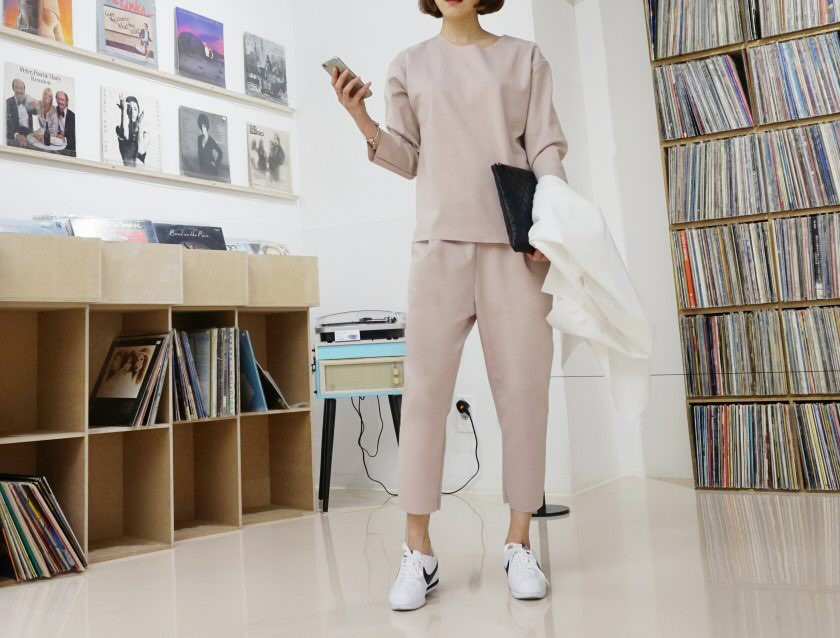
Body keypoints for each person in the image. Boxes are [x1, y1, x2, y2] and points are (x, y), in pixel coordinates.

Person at [330, 0, 568, 611]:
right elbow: (408, 157)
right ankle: (419, 551)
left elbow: (545, 147)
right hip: (439, 248)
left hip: (515, 247)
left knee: (525, 395)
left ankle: (520, 542)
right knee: (424, 396)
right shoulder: (408, 65)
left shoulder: (525, 58)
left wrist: (554, 222)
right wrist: (360, 117)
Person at [115, 94, 149, 166]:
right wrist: (122, 110)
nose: (133, 111)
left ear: (138, 111)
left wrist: (140, 126)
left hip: (140, 171)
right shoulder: (120, 130)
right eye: (130, 108)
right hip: (125, 171)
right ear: (126, 111)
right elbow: (124, 135)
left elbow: (140, 150)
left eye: (135, 109)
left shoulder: (145, 135)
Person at [6, 78, 36, 146]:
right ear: (13, 89)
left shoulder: (28, 102)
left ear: (24, 90)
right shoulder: (7, 103)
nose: (19, 90)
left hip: (29, 136)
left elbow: (38, 113)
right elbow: (5, 125)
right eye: (16, 87)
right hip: (15, 136)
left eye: (21, 88)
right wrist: (16, 135)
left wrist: (36, 106)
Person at [55, 90, 75, 156]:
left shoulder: (73, 116)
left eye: (62, 100)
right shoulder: (53, 112)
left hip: (69, 149)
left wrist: (64, 139)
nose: (60, 102)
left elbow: (73, 137)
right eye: (58, 99)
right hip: (56, 146)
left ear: (66, 102)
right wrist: (56, 134)